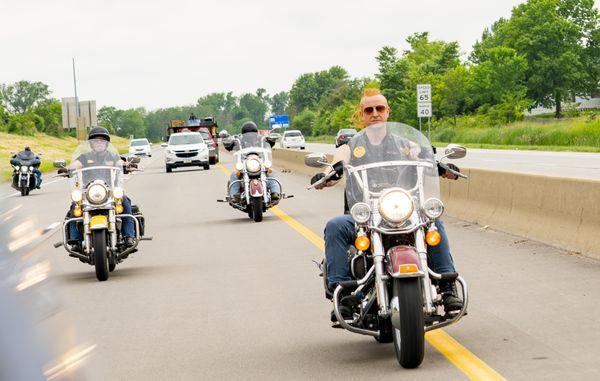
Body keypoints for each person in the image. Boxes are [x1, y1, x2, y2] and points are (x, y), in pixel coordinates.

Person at [310, 89, 463, 314]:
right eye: (368, 110)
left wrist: (442, 167)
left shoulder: (405, 144)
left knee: (433, 222)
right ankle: (342, 292)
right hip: (364, 216)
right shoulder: (350, 146)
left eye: (379, 108)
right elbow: (337, 162)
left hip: (402, 211)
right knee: (335, 226)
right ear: (361, 115)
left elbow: (425, 157)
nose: (375, 114)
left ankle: (447, 286)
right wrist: (328, 174)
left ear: (387, 111)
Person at [65, 127, 135, 253]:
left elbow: (120, 162)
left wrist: (127, 165)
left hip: (109, 191)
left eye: (102, 141)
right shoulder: (85, 157)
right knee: (74, 206)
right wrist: (67, 169)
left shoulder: (113, 156)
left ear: (107, 143)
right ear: (91, 144)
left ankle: (128, 236)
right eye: (96, 141)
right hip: (89, 192)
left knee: (125, 201)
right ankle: (75, 240)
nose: (99, 143)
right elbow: (75, 165)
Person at [225, 121, 281, 203]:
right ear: (243, 134)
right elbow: (230, 147)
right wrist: (229, 143)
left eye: (252, 133)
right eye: (248, 134)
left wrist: (271, 140)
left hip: (259, 163)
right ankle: (235, 196)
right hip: (244, 164)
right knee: (234, 175)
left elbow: (269, 144)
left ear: (256, 133)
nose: (250, 136)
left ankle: (275, 193)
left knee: (271, 172)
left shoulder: (261, 139)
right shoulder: (239, 141)